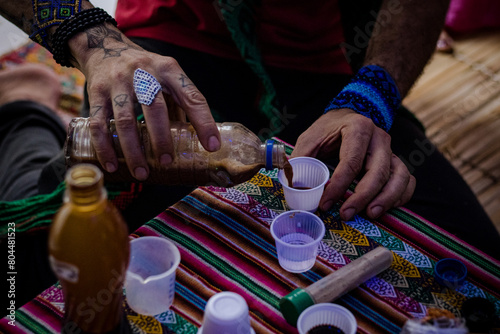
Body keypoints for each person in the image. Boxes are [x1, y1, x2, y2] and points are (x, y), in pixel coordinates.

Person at [1, 0, 499, 312]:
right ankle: (26, 114)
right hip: (170, 51)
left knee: (467, 262)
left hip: (323, 72)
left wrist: (371, 96)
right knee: (51, 250)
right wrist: (96, 40)